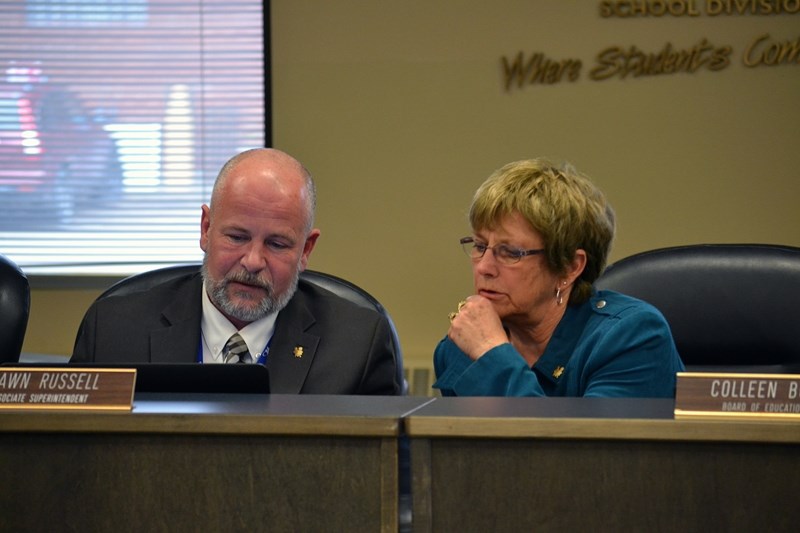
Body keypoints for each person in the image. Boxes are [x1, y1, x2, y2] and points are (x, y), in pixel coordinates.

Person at [71, 148, 401, 395]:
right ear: (205, 228)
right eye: (237, 237)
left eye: (277, 244)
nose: (253, 261)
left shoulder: (357, 344)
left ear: (306, 250)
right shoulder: (113, 330)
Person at [434, 157, 684, 397]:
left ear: (569, 267)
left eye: (510, 252)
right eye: (479, 246)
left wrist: (491, 354)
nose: (484, 267)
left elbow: (581, 441)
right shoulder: (460, 346)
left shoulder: (633, 336)